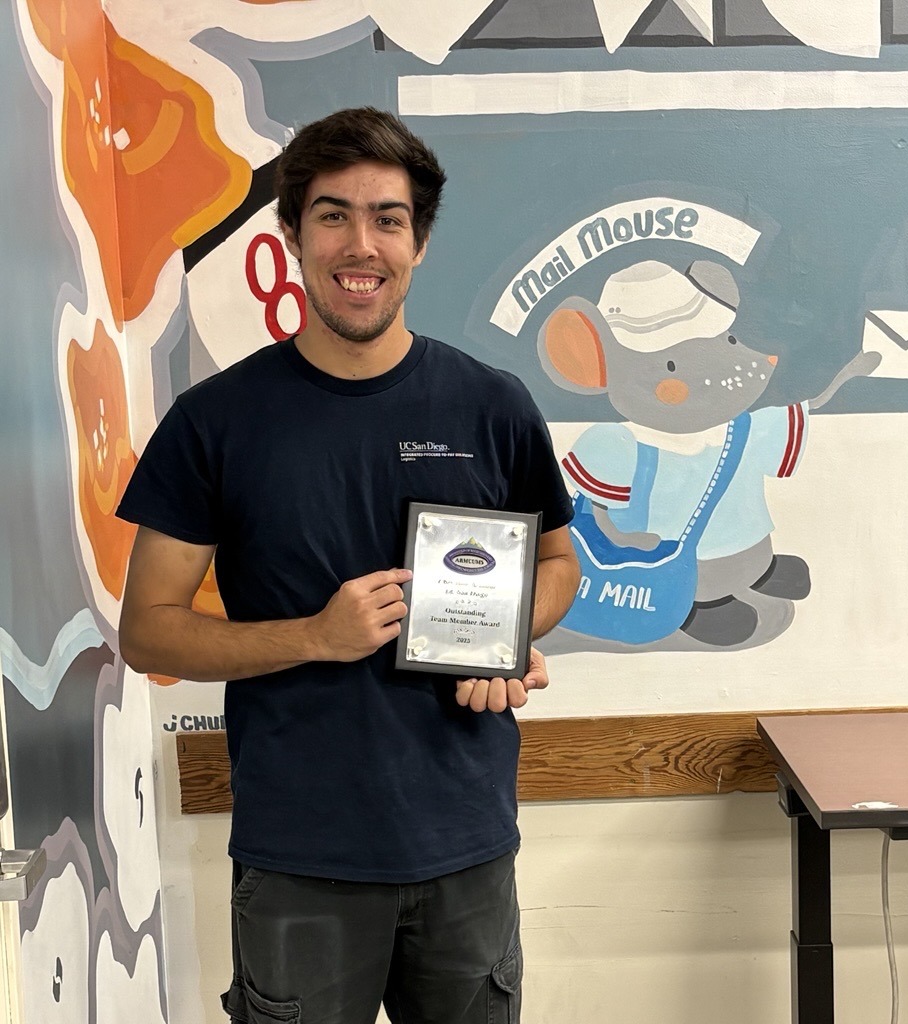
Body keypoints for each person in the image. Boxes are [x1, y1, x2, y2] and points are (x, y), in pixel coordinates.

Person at [116, 107, 580, 1024]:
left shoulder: (492, 404)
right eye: (332, 215)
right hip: (299, 861)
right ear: (290, 233)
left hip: (466, 847)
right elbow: (148, 630)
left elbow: (561, 566)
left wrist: (500, 639)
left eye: (387, 218)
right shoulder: (217, 421)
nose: (359, 244)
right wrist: (316, 637)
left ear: (419, 241)